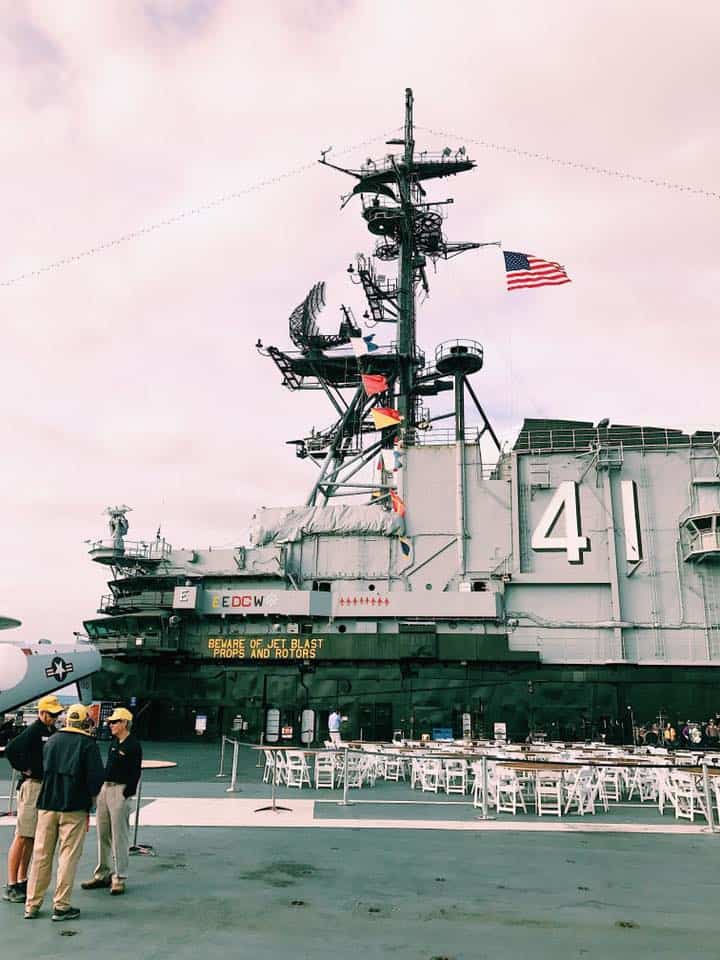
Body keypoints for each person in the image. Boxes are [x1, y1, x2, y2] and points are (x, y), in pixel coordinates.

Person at [24, 703, 104, 922]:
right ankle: (61, 905)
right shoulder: (88, 744)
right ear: (86, 721)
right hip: (74, 808)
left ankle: (32, 904)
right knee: (67, 856)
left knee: (41, 856)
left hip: (47, 805)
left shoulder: (52, 741)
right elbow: (96, 780)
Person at [3, 695, 64, 903]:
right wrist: (25, 768)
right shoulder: (34, 731)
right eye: (52, 714)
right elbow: (11, 750)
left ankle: (22, 878)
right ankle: (11, 884)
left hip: (43, 786)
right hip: (32, 787)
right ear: (42, 713)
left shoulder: (50, 732)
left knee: (31, 837)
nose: (55, 717)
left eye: (57, 714)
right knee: (21, 836)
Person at [81, 707, 142, 896]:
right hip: (105, 789)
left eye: (114, 722)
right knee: (103, 833)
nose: (110, 725)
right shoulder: (115, 742)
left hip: (119, 790)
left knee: (119, 836)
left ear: (124, 723)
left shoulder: (133, 745)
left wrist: (126, 793)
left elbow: (135, 772)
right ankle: (103, 873)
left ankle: (119, 877)